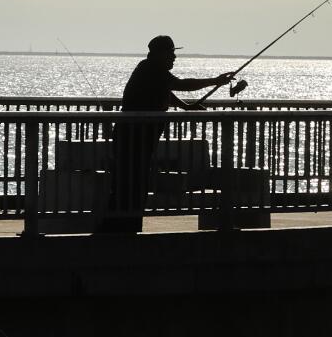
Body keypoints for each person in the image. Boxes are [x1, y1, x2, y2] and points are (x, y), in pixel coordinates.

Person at [95, 35, 233, 234]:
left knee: (132, 185)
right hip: (133, 139)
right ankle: (118, 229)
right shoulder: (151, 69)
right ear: (159, 54)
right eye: (171, 53)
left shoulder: (152, 71)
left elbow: (166, 91)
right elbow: (182, 84)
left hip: (138, 139)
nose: (174, 57)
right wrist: (215, 81)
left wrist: (186, 106)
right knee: (129, 186)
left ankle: (123, 228)